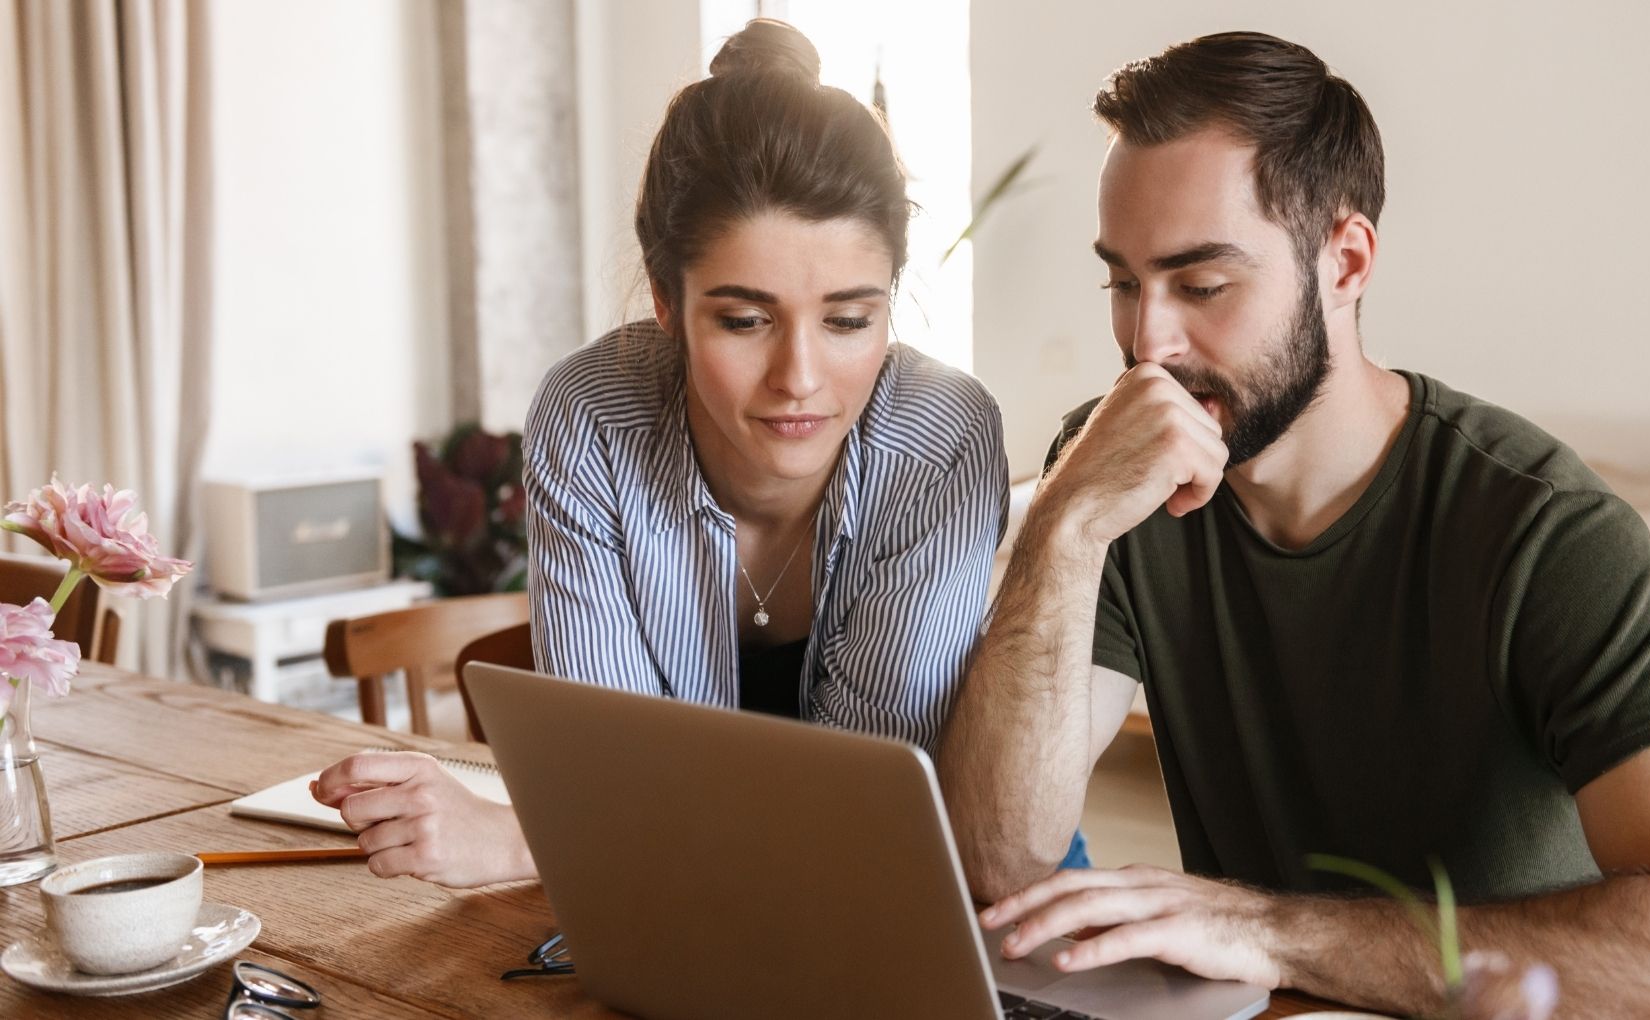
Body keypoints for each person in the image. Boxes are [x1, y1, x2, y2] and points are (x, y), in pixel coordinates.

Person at [937, 31, 1650, 1018]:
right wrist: (1061, 526)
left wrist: (1267, 931)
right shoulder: (1115, 479)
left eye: (1202, 284)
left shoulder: (1544, 529)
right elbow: (998, 865)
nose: (1148, 343)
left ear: (1345, 260)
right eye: (1123, 281)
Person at [310, 19, 1090, 888]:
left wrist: (531, 842)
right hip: (692, 891)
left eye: (847, 320)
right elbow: (611, 769)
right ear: (665, 302)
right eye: (744, 320)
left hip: (939, 883)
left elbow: (863, 816)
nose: (799, 378)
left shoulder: (941, 438)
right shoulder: (594, 417)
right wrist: (590, 821)